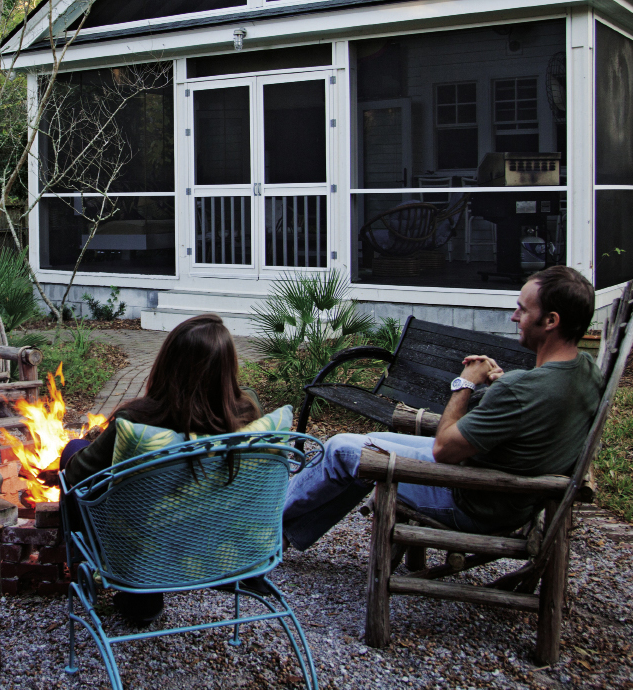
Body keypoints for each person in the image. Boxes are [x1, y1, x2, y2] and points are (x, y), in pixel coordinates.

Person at [281, 265, 603, 550]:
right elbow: (531, 414)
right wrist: (502, 388)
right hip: (505, 494)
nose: (514, 317)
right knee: (365, 444)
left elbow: (443, 449)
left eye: (522, 310)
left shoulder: (518, 390)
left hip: (468, 497)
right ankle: (284, 531)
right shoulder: (587, 372)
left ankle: (262, 527)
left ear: (551, 320)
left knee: (341, 449)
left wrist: (465, 383)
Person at [61, 312, 264, 625]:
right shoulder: (247, 412)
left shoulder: (137, 421)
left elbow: (77, 476)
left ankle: (113, 581)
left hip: (147, 545)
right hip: (216, 541)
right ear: (228, 367)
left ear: (168, 364)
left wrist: (85, 447)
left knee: (73, 453)